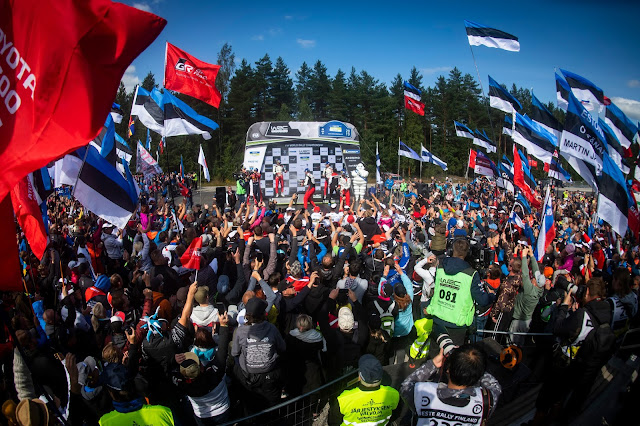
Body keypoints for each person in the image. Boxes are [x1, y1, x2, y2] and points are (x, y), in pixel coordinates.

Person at [426, 238, 495, 356]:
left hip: (438, 319)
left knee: (434, 356)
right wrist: (491, 295)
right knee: (452, 360)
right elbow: (482, 300)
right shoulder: (471, 274)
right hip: (456, 325)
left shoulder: (441, 267)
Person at [400, 344, 502, 424]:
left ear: (447, 369)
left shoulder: (423, 393)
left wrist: (433, 364)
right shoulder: (486, 401)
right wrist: (474, 366)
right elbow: (495, 386)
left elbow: (406, 387)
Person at [328, 354, 400, 426]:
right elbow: (395, 415)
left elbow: (332, 422)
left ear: (359, 376)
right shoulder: (393, 394)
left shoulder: (343, 399)